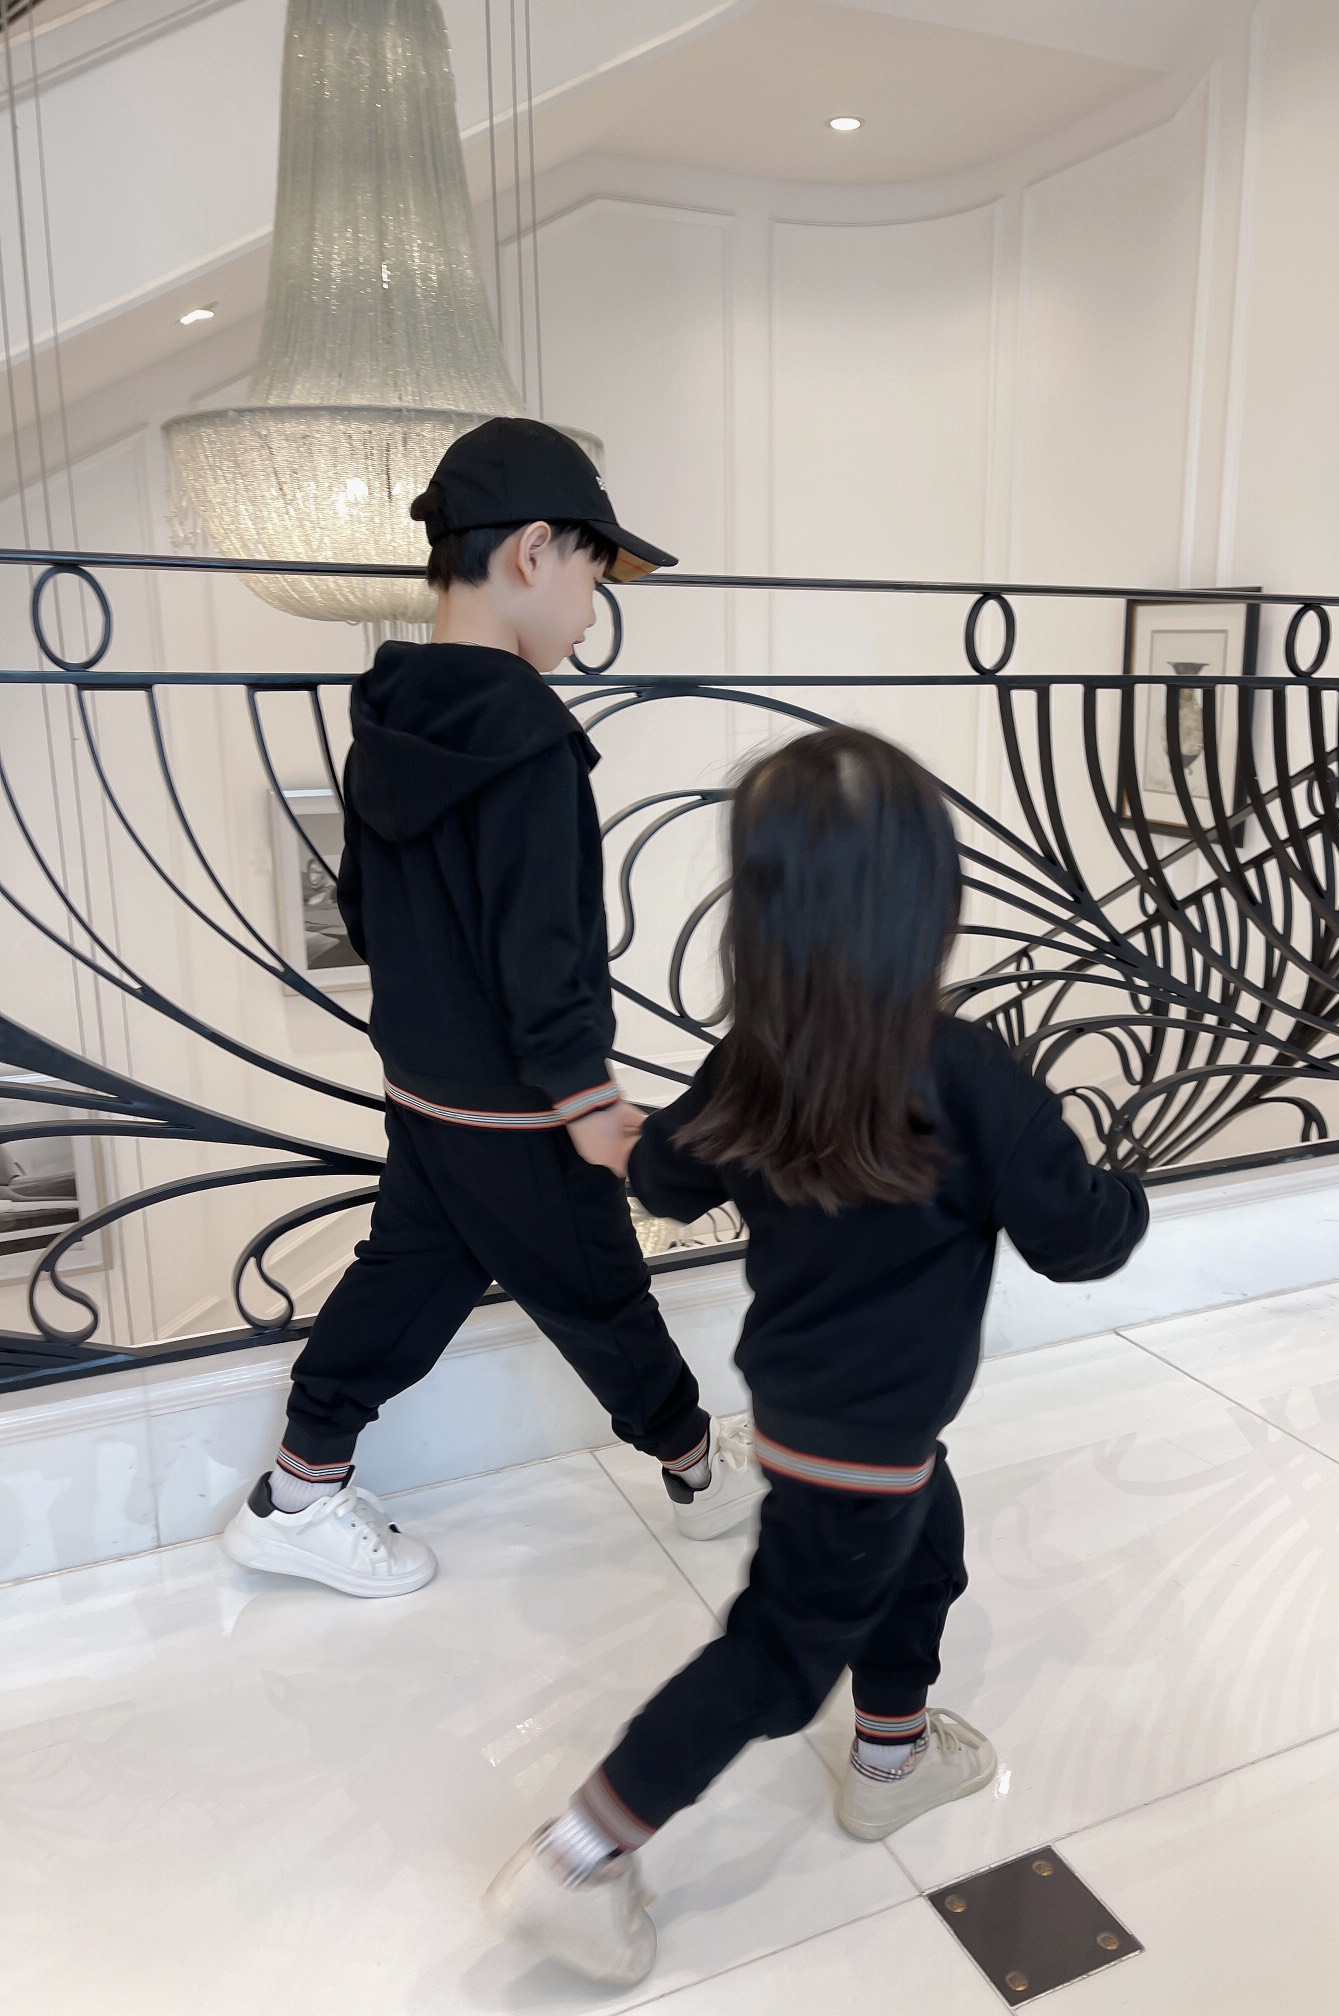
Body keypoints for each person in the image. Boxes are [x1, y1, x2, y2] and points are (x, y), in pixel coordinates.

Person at [484, 727, 1151, 1987]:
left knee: (926, 1544)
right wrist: (1124, 1194)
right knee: (778, 1659)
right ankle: (581, 1858)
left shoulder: (758, 1062)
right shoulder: (972, 1073)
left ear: (761, 910)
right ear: (929, 899)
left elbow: (668, 1179)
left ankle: (889, 1760)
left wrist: (623, 1134)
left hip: (812, 1411)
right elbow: (1079, 1241)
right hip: (870, 1437)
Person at [223, 418, 761, 1598]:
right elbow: (542, 945)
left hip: (426, 1080)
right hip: (520, 1100)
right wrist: (586, 1099)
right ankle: (697, 1471)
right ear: (532, 550)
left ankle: (299, 1493)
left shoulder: (390, 711)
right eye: (593, 577)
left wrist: (435, 1020)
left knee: (411, 1273)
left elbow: (362, 908)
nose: (591, 612)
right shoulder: (528, 740)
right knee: (599, 1290)